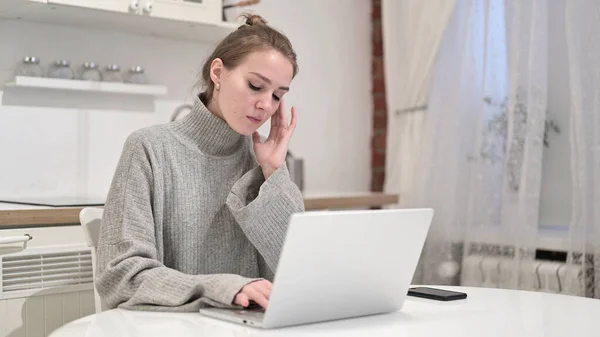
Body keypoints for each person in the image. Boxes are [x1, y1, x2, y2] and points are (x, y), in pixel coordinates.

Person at [95, 13, 304, 312]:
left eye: (277, 96)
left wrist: (273, 173)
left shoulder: (261, 161)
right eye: (256, 86)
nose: (265, 105)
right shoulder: (149, 148)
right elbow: (120, 277)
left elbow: (297, 269)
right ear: (218, 73)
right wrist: (225, 289)